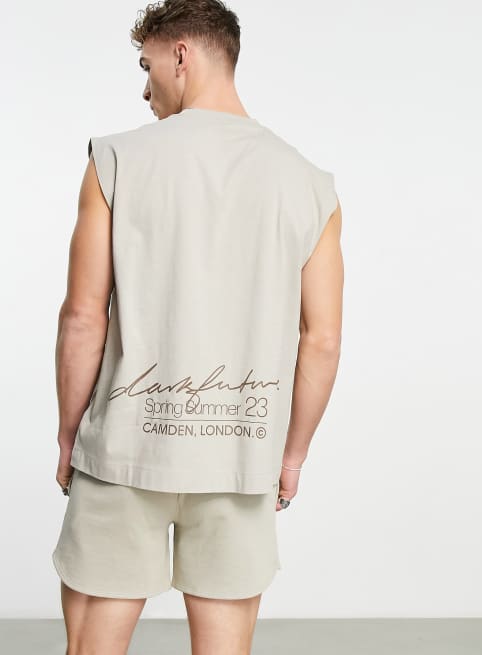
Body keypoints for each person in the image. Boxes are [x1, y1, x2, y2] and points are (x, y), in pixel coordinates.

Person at [52, 0, 344, 653]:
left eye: (146, 65)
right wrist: (290, 456)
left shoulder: (117, 159)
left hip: (125, 449)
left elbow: (82, 317)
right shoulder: (309, 184)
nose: (145, 87)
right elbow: (321, 341)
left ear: (180, 55)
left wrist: (70, 434)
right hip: (239, 455)